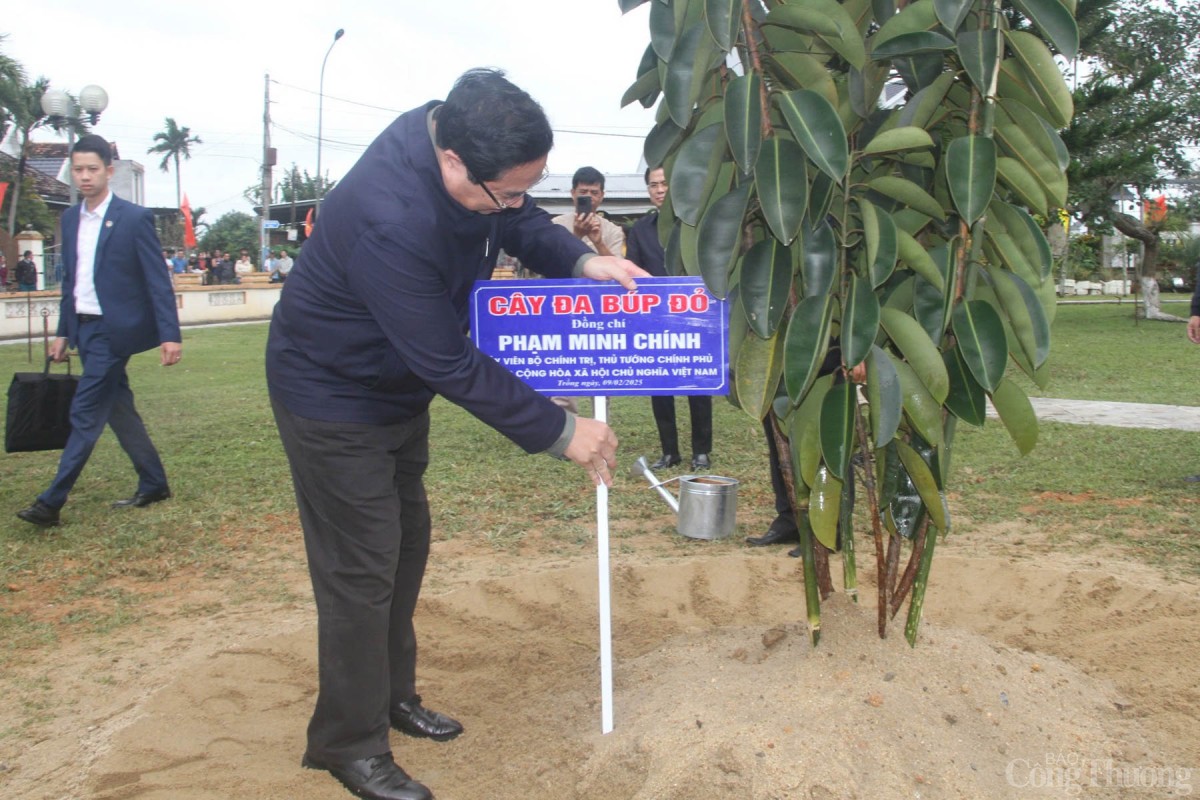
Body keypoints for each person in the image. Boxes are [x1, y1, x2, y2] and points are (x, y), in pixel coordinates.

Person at [266, 68, 647, 800]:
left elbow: (517, 217)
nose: (513, 201)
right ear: (452, 164)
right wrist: (560, 431)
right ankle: (346, 742)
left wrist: (580, 256)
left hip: (392, 392)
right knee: (360, 569)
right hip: (331, 394)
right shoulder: (392, 216)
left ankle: (390, 695)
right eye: (505, 189)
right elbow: (447, 359)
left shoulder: (464, 140)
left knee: (404, 546)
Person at [16, 134, 182, 528]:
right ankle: (154, 482)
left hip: (114, 331)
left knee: (85, 412)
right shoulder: (70, 218)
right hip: (84, 330)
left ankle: (51, 502)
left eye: (92, 169)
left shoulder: (134, 218)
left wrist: (169, 334)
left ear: (109, 170)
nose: (84, 177)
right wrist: (61, 332)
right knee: (119, 408)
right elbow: (71, 281)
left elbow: (157, 281)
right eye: (78, 170)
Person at [625, 166, 713, 471]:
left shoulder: (694, 224)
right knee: (660, 388)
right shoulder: (640, 229)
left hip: (693, 316)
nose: (659, 189)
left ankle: (701, 451)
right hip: (654, 319)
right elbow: (632, 272)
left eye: (664, 184)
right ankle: (669, 452)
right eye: (653, 185)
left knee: (697, 386)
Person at [551, 166, 625, 258]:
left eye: (594, 193)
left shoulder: (613, 231)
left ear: (602, 195)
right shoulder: (556, 225)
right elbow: (551, 263)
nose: (589, 197)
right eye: (583, 192)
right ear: (573, 193)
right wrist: (577, 236)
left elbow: (617, 269)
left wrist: (599, 243)